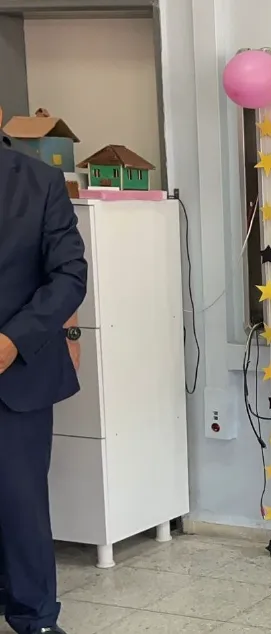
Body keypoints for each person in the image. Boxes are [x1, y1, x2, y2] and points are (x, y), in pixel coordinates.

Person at [0, 130, 87, 634]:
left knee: (19, 499)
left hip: (17, 371)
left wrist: (13, 341)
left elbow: (69, 274)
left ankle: (34, 617)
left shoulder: (40, 181)